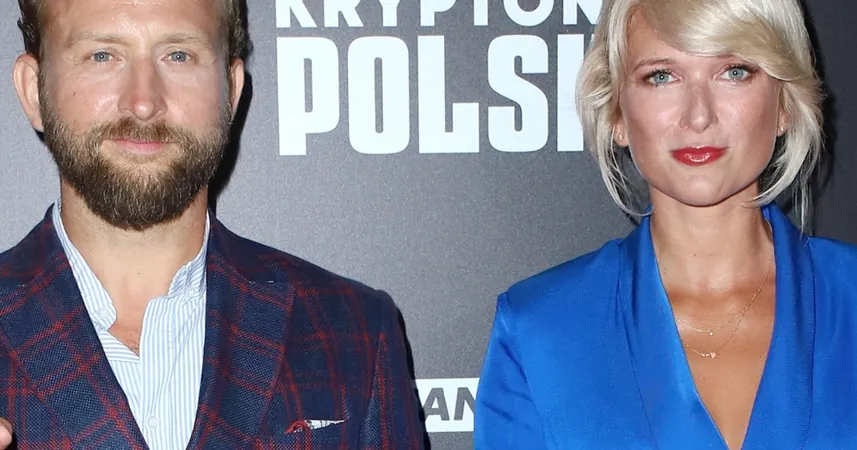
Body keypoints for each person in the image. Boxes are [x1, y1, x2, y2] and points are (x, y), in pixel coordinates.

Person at [0, 0, 425, 448]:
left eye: (178, 55)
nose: (143, 102)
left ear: (231, 91)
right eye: (102, 55)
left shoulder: (353, 330)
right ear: (34, 91)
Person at [474, 0, 857, 448]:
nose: (699, 116)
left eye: (733, 71)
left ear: (784, 103)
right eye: (661, 76)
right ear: (617, 112)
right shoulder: (539, 331)